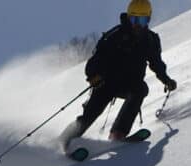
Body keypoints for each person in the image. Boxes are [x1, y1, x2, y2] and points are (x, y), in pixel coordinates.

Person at [61, 0, 177, 151]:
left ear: (148, 20)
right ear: (129, 18)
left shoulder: (150, 40)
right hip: (105, 83)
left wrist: (166, 80)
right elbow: (95, 61)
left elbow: (156, 63)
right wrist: (93, 76)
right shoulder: (115, 36)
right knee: (90, 115)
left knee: (140, 89)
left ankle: (118, 133)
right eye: (134, 19)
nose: (137, 24)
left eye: (142, 20)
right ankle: (64, 142)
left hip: (129, 84)